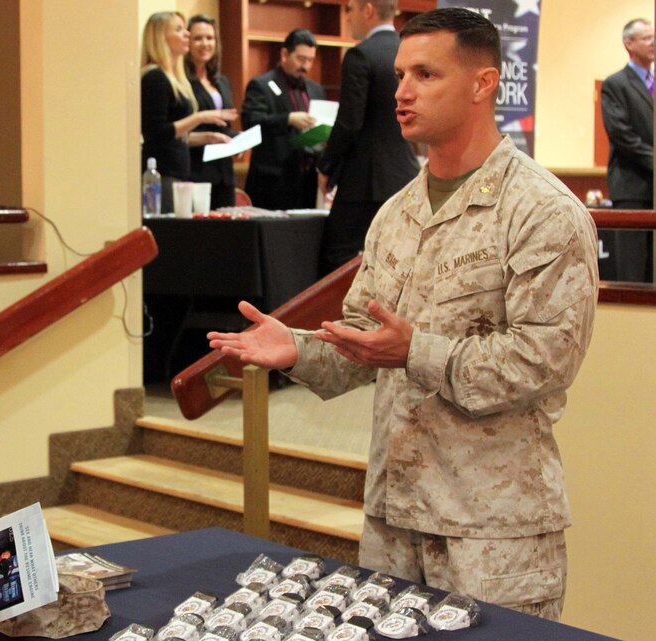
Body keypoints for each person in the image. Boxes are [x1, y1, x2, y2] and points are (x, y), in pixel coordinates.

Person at [209, 8, 598, 620]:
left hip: (490, 530)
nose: (403, 91)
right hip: (392, 520)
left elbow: (544, 361)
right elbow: (369, 341)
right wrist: (301, 349)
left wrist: (414, 350)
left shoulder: (542, 211)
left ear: (482, 84)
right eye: (399, 75)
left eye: (425, 74)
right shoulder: (395, 213)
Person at [316, 0, 419, 275]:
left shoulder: (361, 55)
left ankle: (344, 319)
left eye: (350, 9)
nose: (348, 17)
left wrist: (326, 166)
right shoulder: (410, 53)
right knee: (398, 262)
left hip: (364, 180)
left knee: (336, 258)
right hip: (407, 174)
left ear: (368, 9)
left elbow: (350, 122)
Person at [141, 11, 237, 213]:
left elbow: (176, 134)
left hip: (178, 175)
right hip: (164, 175)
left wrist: (206, 136)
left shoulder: (174, 78)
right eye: (179, 30)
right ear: (160, 37)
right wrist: (201, 117)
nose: (186, 35)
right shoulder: (155, 77)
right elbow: (156, 133)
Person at [242, 29, 326, 211]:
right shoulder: (261, 85)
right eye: (301, 58)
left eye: (310, 60)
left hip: (307, 180)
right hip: (273, 182)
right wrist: (287, 119)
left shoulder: (316, 89)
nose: (305, 65)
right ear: (285, 54)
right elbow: (250, 121)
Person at [600, 18, 654, 282]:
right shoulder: (616, 84)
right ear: (629, 44)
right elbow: (622, 135)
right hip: (632, 187)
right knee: (633, 273)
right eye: (647, 38)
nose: (653, 43)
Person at [185, 14, 237, 210]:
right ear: (187, 42)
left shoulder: (222, 82)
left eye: (210, 38)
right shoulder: (182, 82)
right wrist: (207, 137)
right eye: (198, 38)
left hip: (224, 174)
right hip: (195, 171)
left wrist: (238, 140)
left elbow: (225, 127)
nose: (205, 44)